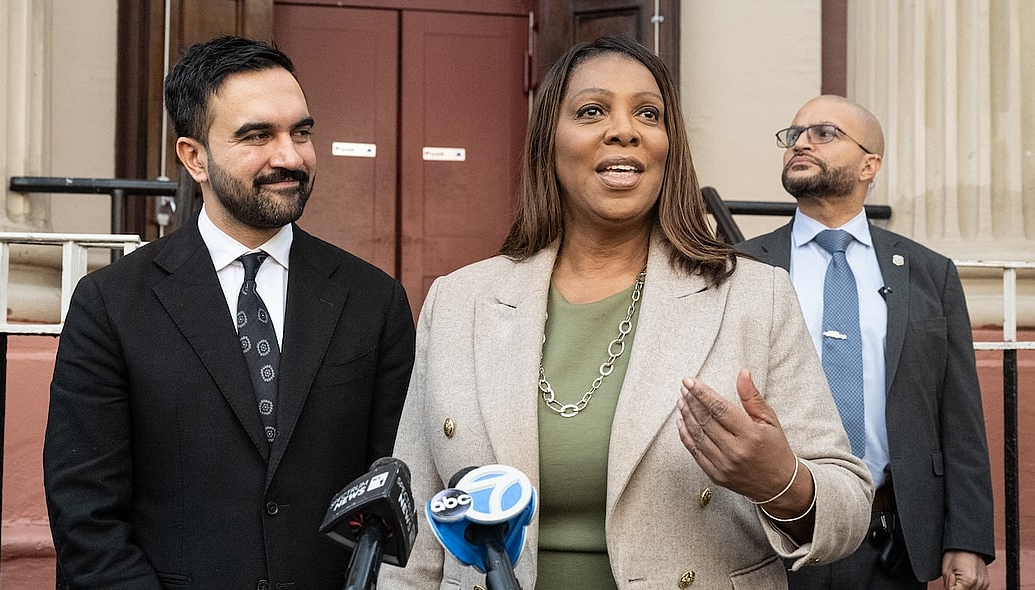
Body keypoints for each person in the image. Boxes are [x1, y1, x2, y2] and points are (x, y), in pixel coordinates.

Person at [378, 36, 871, 589]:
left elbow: (849, 506)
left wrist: (782, 482)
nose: (624, 129)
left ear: (668, 144)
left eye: (648, 113)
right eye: (592, 111)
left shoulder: (756, 298)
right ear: (549, 142)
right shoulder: (457, 302)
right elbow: (416, 530)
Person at [43, 36, 415, 589]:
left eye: (301, 132)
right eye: (257, 135)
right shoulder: (111, 305)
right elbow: (86, 516)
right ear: (194, 157)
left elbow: (394, 495)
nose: (290, 156)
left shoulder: (373, 300)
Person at [737, 94, 995, 590]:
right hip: (767, 540)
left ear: (869, 165)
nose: (800, 143)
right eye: (793, 135)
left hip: (887, 545)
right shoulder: (741, 266)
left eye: (823, 133)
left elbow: (958, 412)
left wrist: (966, 535)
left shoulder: (929, 273)